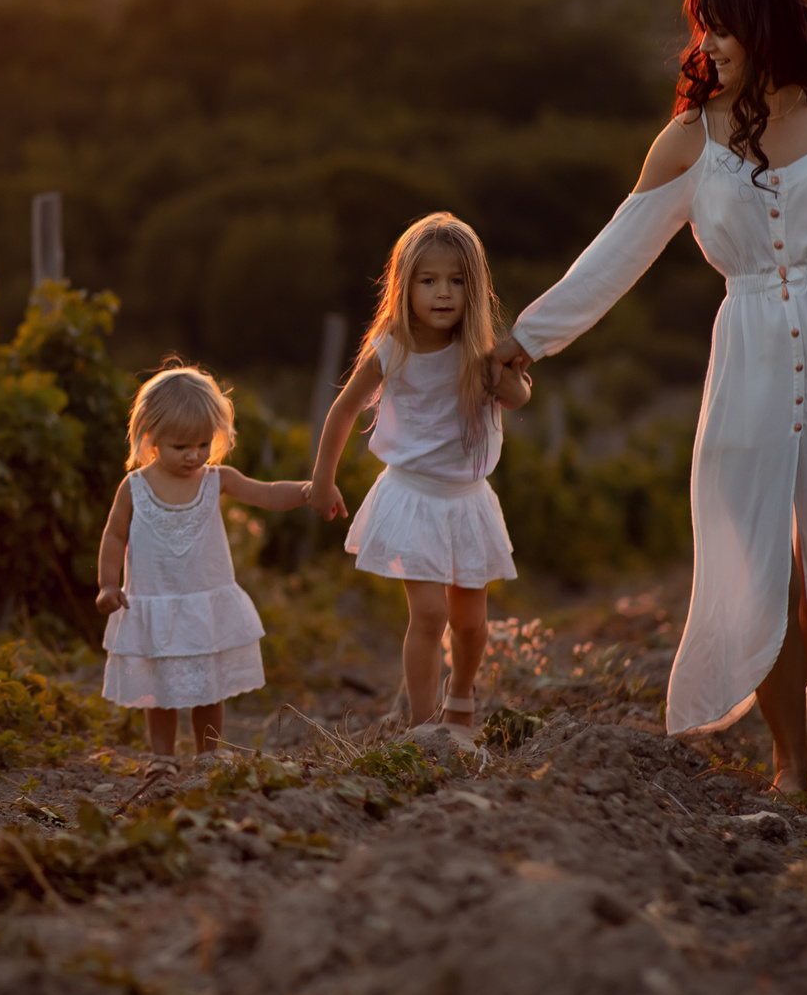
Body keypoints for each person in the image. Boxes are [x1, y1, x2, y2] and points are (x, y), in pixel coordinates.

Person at [491, 0, 807, 796]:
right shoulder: (691, 138)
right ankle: (792, 760)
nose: (707, 45)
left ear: (766, 28)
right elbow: (617, 252)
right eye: (704, 30)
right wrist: (528, 336)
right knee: (760, 568)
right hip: (749, 357)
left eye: (722, 28)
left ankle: (793, 682)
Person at [307, 213, 532, 747]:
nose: (443, 293)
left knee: (471, 622)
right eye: (428, 281)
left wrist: (505, 372)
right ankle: (424, 729)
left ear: (474, 289)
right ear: (404, 287)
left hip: (466, 500)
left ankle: (462, 698)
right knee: (429, 615)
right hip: (411, 496)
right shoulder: (392, 349)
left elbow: (519, 397)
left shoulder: (480, 352)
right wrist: (322, 479)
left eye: (456, 281)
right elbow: (343, 410)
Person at [95, 364, 312, 756]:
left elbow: (267, 493)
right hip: (156, 606)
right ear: (151, 437)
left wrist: (309, 491)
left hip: (205, 609)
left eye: (202, 443)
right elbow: (114, 536)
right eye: (181, 447)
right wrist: (108, 584)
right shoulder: (135, 487)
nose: (194, 455)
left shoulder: (217, 479)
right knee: (159, 692)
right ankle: (162, 758)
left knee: (209, 688)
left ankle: (208, 755)